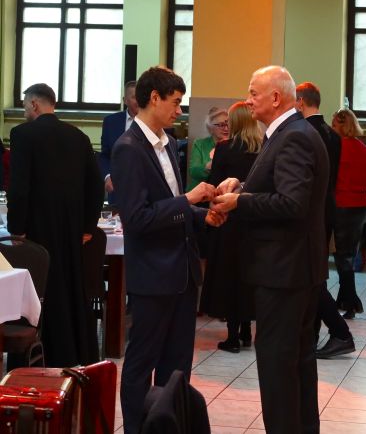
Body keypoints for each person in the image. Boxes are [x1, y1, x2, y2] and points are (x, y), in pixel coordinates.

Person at [212, 65, 329, 434]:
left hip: (285, 271)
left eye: (253, 93)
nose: (248, 100)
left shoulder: (293, 137)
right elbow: (279, 187)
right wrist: (242, 186)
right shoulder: (288, 132)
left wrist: (240, 202)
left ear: (275, 98)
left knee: (279, 366)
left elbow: (292, 203)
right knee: (296, 363)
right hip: (294, 268)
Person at [110, 66, 225, 434]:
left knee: (177, 368)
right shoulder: (128, 148)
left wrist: (202, 216)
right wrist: (188, 200)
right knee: (141, 364)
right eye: (175, 102)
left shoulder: (168, 142)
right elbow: (137, 218)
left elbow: (171, 206)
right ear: (154, 98)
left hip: (182, 272)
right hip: (153, 274)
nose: (179, 110)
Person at [7, 83, 103, 367]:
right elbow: (96, 185)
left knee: (39, 290)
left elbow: (19, 188)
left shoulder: (22, 134)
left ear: (34, 104)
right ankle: (72, 353)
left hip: (36, 229)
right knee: (69, 287)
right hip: (71, 229)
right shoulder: (78, 136)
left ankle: (30, 358)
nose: (25, 110)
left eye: (25, 105)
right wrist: (88, 226)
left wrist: (16, 228)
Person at [295, 82, 355, 359]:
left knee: (311, 277)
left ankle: (339, 332)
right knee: (315, 273)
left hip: (310, 213)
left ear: (300, 101)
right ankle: (313, 334)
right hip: (327, 209)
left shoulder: (304, 132)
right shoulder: (332, 134)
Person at [200, 101, 261, 352]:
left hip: (229, 221)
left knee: (229, 277)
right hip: (253, 220)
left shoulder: (225, 148)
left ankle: (233, 336)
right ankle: (246, 331)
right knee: (248, 276)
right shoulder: (263, 148)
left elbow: (216, 184)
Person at [331, 108, 366, 319]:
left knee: (341, 256)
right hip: (360, 206)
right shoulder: (364, 150)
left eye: (333, 125)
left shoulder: (335, 149)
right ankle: (344, 299)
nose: (331, 128)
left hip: (341, 204)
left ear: (341, 126)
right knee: (349, 253)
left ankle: (351, 302)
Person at [100, 80, 139, 204]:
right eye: (134, 97)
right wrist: (107, 176)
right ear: (125, 100)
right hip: (117, 187)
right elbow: (105, 155)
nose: (138, 101)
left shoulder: (152, 123)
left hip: (143, 188)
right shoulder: (111, 122)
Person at [187, 106, 229, 190]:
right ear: (210, 128)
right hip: (200, 192)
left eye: (228, 124)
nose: (226, 128)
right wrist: (210, 165)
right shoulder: (200, 144)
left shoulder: (235, 145)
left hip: (225, 192)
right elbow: (193, 171)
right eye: (221, 125)